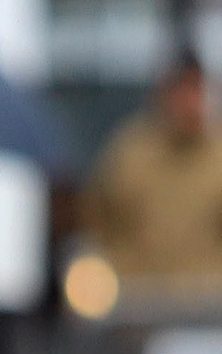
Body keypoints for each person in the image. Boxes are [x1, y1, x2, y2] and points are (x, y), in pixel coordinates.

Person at [83, 50, 222, 291]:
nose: (188, 101)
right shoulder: (129, 154)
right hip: (137, 292)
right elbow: (97, 219)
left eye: (194, 89)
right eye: (180, 90)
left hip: (207, 295)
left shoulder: (217, 156)